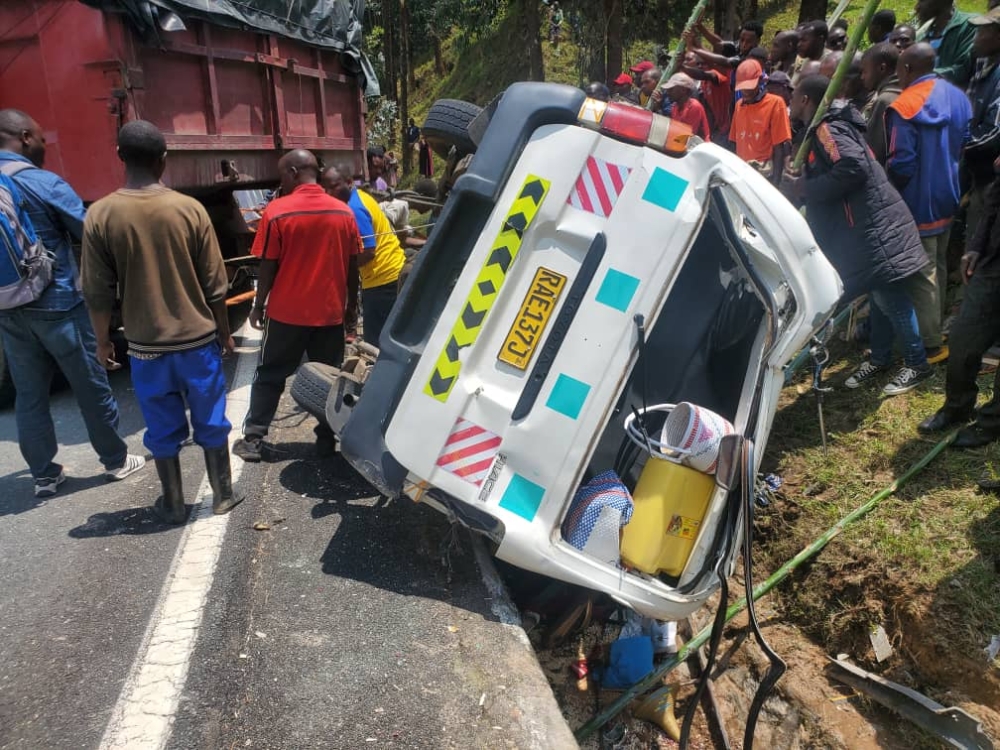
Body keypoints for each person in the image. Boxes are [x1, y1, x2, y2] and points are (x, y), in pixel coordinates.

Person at [80, 121, 240, 523]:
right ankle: (222, 494)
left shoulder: (100, 215)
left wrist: (102, 343)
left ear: (120, 157)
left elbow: (97, 292)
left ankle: (171, 504)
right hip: (197, 342)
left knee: (161, 425)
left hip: (146, 347)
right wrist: (223, 332)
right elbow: (215, 285)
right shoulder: (189, 209)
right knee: (210, 416)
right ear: (164, 160)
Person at [0, 109, 144, 497]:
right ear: (26, 137)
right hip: (58, 301)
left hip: (8, 308)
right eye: (42, 139)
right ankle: (115, 460)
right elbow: (91, 234)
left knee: (29, 394)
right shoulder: (41, 182)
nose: (44, 147)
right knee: (89, 384)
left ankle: (44, 475)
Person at [780, 75, 932, 396]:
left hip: (872, 230)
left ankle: (917, 364)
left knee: (891, 300)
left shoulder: (827, 129)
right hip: (863, 231)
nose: (790, 100)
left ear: (806, 100)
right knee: (879, 299)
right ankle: (879, 358)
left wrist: (804, 187)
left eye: (794, 95)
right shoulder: (820, 130)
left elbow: (852, 167)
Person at [233, 150, 362, 462]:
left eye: (282, 175)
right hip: (329, 314)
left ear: (293, 172)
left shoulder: (277, 212)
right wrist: (351, 310)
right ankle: (325, 441)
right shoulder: (343, 213)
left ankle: (254, 438)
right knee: (330, 376)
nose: (282, 181)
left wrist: (258, 306)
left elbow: (268, 265)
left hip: (286, 315)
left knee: (270, 374)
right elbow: (352, 267)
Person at [887, 42, 972, 364]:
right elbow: (966, 144)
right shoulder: (957, 97)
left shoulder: (904, 106)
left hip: (916, 202)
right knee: (937, 265)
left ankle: (930, 343)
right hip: (948, 195)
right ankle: (934, 327)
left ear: (906, 69)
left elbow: (901, 164)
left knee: (922, 275)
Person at [918, 156, 1000, 445]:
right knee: (963, 340)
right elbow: (994, 199)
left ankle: (991, 423)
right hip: (993, 264)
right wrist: (977, 246)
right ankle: (957, 406)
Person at [322, 164, 406, 347]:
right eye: (325, 188)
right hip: (385, 274)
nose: (329, 193)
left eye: (334, 186)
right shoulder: (359, 197)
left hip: (383, 279)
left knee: (377, 343)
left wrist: (341, 265)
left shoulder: (354, 208)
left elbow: (368, 251)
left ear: (349, 182)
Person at [965, 8, 1000, 241]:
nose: (975, 39)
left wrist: (955, 144)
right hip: (976, 169)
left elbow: (994, 132)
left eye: (982, 33)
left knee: (981, 239)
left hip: (990, 176)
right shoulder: (984, 65)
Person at [728, 59, 792, 185]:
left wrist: (776, 183)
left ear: (761, 81)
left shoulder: (775, 103)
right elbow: (734, 142)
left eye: (750, 86)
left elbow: (779, 147)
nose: (746, 91)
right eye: (743, 87)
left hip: (763, 173)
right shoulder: (739, 105)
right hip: (741, 171)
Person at [915, 0, 976, 87]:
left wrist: (922, 76)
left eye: (923, 1)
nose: (917, 7)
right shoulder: (922, 32)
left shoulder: (969, 25)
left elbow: (963, 68)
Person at [860, 42, 903, 164]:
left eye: (864, 71)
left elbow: (874, 152)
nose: (862, 77)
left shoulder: (884, 100)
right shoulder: (906, 91)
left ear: (882, 68)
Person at [682, 50, 732, 142]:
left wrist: (682, 67)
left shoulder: (717, 75)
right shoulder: (703, 84)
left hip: (729, 129)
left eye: (704, 63)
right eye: (698, 64)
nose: (701, 66)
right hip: (718, 129)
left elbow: (706, 75)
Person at [653, 73, 711, 141]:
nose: (667, 92)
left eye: (671, 89)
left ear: (683, 90)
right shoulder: (675, 106)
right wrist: (658, 106)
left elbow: (686, 138)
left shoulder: (694, 107)